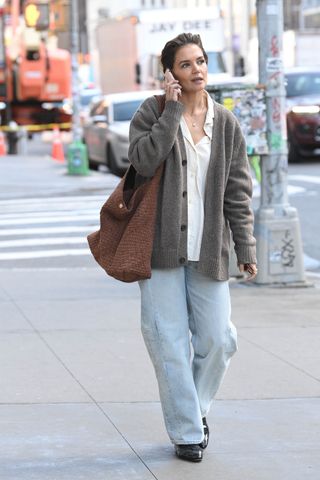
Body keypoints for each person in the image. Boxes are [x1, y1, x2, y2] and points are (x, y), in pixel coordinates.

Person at [128, 33, 257, 463]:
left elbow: (237, 191)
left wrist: (246, 246)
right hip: (161, 250)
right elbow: (143, 162)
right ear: (170, 73)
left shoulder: (227, 123)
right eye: (185, 64)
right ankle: (187, 432)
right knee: (167, 341)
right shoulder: (152, 111)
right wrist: (170, 111)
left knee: (219, 339)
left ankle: (194, 411)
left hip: (209, 248)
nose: (197, 70)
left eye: (200, 61)